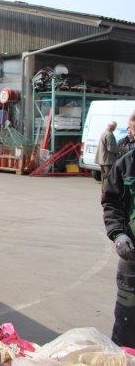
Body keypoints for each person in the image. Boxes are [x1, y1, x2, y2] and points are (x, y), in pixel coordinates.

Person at [102, 147, 135, 348]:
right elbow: (112, 203)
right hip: (132, 260)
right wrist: (118, 234)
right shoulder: (125, 165)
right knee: (126, 323)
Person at [96, 121, 119, 191]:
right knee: (108, 178)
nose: (115, 129)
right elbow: (111, 148)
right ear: (113, 127)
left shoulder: (104, 132)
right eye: (115, 127)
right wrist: (122, 149)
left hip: (102, 159)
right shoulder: (109, 134)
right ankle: (106, 192)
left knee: (104, 176)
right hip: (108, 160)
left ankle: (103, 192)